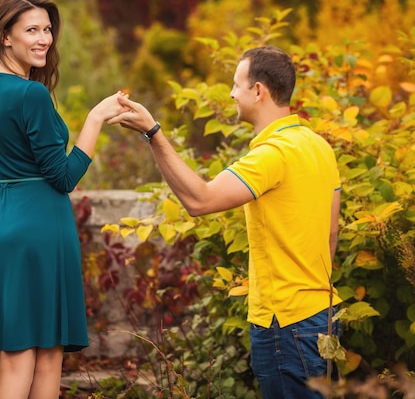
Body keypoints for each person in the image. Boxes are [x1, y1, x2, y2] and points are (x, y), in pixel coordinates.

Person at [108, 45, 343, 399]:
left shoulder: (271, 155)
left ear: (259, 91)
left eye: (237, 84)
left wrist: (153, 133)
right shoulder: (318, 146)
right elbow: (331, 233)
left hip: (285, 324)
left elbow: (199, 201)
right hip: (322, 318)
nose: (232, 93)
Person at [0, 0, 127, 399]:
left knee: (37, 358)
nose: (44, 38)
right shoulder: (31, 95)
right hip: (42, 231)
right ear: (5, 38)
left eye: (47, 29)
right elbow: (64, 177)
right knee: (33, 363)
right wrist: (97, 117)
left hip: (0, 231)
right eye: (31, 29)